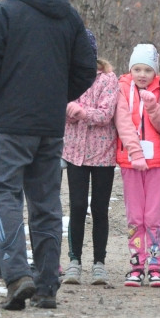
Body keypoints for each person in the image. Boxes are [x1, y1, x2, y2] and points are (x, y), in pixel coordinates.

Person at [0, 0, 97, 310]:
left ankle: (16, 275)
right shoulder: (69, 17)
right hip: (49, 125)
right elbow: (86, 68)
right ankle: (46, 284)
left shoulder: (2, 13)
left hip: (7, 125)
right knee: (45, 202)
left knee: (3, 194)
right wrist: (57, 96)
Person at [61, 30, 119, 286]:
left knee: (99, 208)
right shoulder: (65, 77)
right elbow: (58, 108)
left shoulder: (108, 79)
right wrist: (71, 112)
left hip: (103, 155)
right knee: (76, 206)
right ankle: (74, 261)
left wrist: (82, 112)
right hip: (75, 154)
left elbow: (106, 114)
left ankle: (99, 262)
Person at [115, 44, 160, 287]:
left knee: (153, 215)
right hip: (130, 161)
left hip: (156, 161)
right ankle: (136, 264)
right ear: (130, 69)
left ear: (154, 71)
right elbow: (123, 123)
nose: (142, 75)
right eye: (137, 69)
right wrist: (134, 152)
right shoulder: (122, 88)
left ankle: (156, 265)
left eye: (147, 70)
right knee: (135, 215)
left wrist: (152, 107)